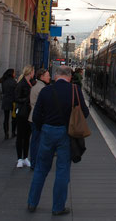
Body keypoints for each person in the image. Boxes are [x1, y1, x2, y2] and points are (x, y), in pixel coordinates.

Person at [27, 65, 89, 215]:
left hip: (47, 131)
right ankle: (57, 207)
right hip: (66, 133)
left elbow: (36, 117)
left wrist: (44, 127)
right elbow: (85, 113)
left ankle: (32, 203)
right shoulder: (75, 91)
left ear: (56, 76)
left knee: (41, 169)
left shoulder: (46, 91)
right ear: (69, 77)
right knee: (62, 170)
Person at [29, 68, 51, 170]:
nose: (49, 77)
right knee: (37, 141)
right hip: (38, 118)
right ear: (41, 77)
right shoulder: (42, 88)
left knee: (35, 141)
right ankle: (36, 163)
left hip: (34, 117)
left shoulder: (37, 86)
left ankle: (34, 162)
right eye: (47, 75)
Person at [15, 65, 35, 168]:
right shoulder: (21, 84)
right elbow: (16, 98)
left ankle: (25, 157)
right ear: (30, 72)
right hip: (22, 113)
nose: (34, 73)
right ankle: (19, 158)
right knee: (20, 136)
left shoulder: (31, 83)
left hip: (29, 113)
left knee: (27, 136)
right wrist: (27, 99)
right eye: (33, 71)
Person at [0, 69, 17, 139]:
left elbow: (3, 91)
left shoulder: (4, 81)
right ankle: (13, 132)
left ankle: (6, 133)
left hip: (5, 101)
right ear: (12, 74)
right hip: (13, 102)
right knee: (14, 117)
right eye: (14, 73)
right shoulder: (14, 82)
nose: (15, 74)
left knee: (6, 118)